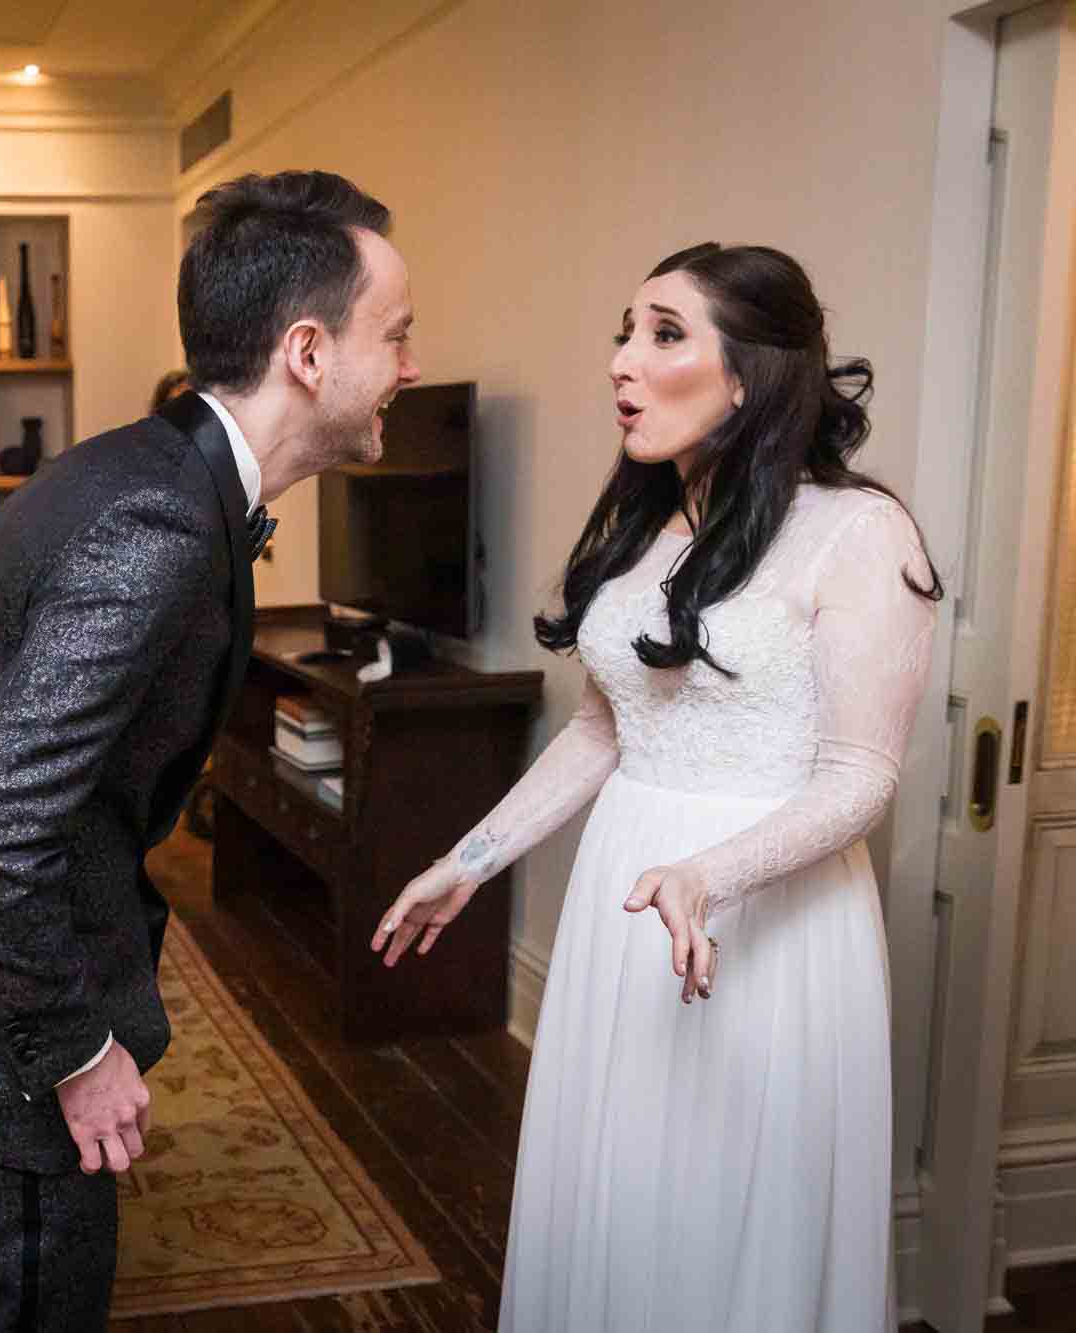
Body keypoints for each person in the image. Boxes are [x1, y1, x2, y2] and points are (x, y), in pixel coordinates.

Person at [0, 170, 418, 1331]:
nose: (411, 366)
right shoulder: (161, 518)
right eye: (397, 334)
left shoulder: (144, 465)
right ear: (309, 351)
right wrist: (75, 1050)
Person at [372, 243, 941, 1332]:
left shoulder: (858, 532)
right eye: (623, 334)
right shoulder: (644, 527)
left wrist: (708, 873)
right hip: (623, 909)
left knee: (730, 1220)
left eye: (664, 334)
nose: (623, 364)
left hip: (766, 924)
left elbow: (860, 774)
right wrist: (468, 862)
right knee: (620, 1193)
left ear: (750, 376)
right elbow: (604, 728)